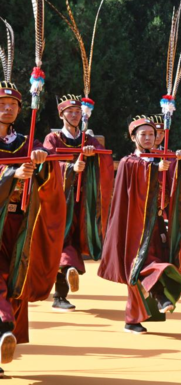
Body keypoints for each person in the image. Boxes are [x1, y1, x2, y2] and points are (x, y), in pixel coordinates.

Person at [98, 116, 181, 334]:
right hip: (134, 225)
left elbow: (174, 185)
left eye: (152, 134)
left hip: (157, 224)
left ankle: (133, 318)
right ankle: (160, 296)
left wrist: (180, 161)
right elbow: (134, 191)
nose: (148, 138)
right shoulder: (128, 162)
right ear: (133, 138)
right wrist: (154, 170)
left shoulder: (162, 158)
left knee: (141, 269)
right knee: (140, 265)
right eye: (143, 134)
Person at [0, 78, 66, 375]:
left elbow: (49, 172)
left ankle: (3, 337)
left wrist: (39, 162)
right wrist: (12, 173)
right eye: (2, 104)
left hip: (19, 221)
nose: (8, 108)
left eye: (13, 104)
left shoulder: (27, 143)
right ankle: (3, 324)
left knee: (16, 276)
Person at [43, 94, 113, 311]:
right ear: (61, 114)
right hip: (59, 199)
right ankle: (65, 276)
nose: (74, 115)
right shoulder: (53, 139)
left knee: (73, 237)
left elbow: (105, 159)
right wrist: (70, 169)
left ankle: (66, 279)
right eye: (70, 112)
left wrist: (93, 155)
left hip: (83, 201)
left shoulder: (87, 139)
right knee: (60, 240)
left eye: (78, 112)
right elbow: (48, 164)